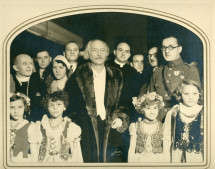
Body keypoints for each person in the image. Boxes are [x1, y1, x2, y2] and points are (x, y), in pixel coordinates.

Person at [65, 39, 129, 162]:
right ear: (88, 54)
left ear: (107, 53)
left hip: (111, 125)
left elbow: (124, 102)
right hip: (86, 126)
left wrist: (120, 118)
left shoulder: (117, 75)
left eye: (102, 50)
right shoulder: (79, 75)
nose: (99, 54)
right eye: (94, 50)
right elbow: (71, 104)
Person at [145, 36, 201, 122]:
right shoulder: (157, 72)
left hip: (181, 120)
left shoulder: (190, 70)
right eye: (164, 47)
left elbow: (196, 102)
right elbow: (150, 100)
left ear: (179, 49)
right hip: (159, 121)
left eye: (171, 47)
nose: (166, 51)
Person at [28, 91, 83, 162]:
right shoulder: (40, 126)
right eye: (51, 105)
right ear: (47, 107)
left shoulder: (71, 127)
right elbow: (34, 154)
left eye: (59, 104)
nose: (55, 108)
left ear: (64, 107)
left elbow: (76, 154)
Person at [163, 79, 203, 162]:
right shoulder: (173, 112)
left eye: (194, 93)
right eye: (186, 94)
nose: (191, 97)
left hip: (198, 157)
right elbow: (166, 138)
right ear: (180, 95)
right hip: (176, 157)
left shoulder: (204, 113)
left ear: (199, 94)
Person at [128, 92, 170, 162]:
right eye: (148, 108)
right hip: (140, 161)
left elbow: (166, 151)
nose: (152, 112)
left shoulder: (163, 127)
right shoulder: (136, 126)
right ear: (142, 109)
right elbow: (131, 148)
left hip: (157, 161)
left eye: (155, 108)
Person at [11, 54, 46, 122]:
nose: (29, 66)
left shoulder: (39, 83)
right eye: (24, 63)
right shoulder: (10, 82)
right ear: (16, 68)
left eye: (31, 63)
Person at [10, 92, 31, 162]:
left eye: (19, 107)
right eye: (12, 107)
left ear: (25, 107)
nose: (16, 111)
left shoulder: (30, 127)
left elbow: (35, 154)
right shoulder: (3, 125)